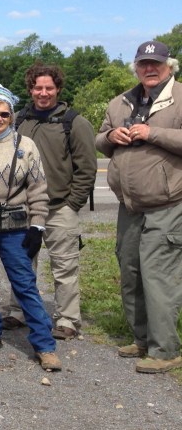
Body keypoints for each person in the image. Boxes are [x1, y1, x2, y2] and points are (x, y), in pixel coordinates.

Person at [95, 40, 182, 373]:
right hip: (129, 205)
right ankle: (142, 339)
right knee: (130, 271)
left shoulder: (180, 97)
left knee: (158, 274)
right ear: (136, 66)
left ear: (168, 66)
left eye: (156, 64)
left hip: (168, 203)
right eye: (143, 63)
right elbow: (100, 139)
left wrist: (152, 133)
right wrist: (111, 136)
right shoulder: (121, 102)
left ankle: (166, 351)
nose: (149, 68)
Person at [0, 84, 62, 371]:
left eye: (4, 114)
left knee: (24, 284)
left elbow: (38, 188)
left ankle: (44, 345)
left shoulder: (26, 146)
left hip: (15, 225)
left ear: (11, 115)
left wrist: (38, 226)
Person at [1, 63, 97, 340]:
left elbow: (87, 168)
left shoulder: (74, 123)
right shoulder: (18, 120)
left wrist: (72, 204)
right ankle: (18, 311)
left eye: (49, 88)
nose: (43, 93)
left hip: (59, 208)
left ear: (58, 89)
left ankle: (67, 318)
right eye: (38, 87)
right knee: (21, 263)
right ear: (30, 89)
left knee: (64, 266)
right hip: (24, 208)